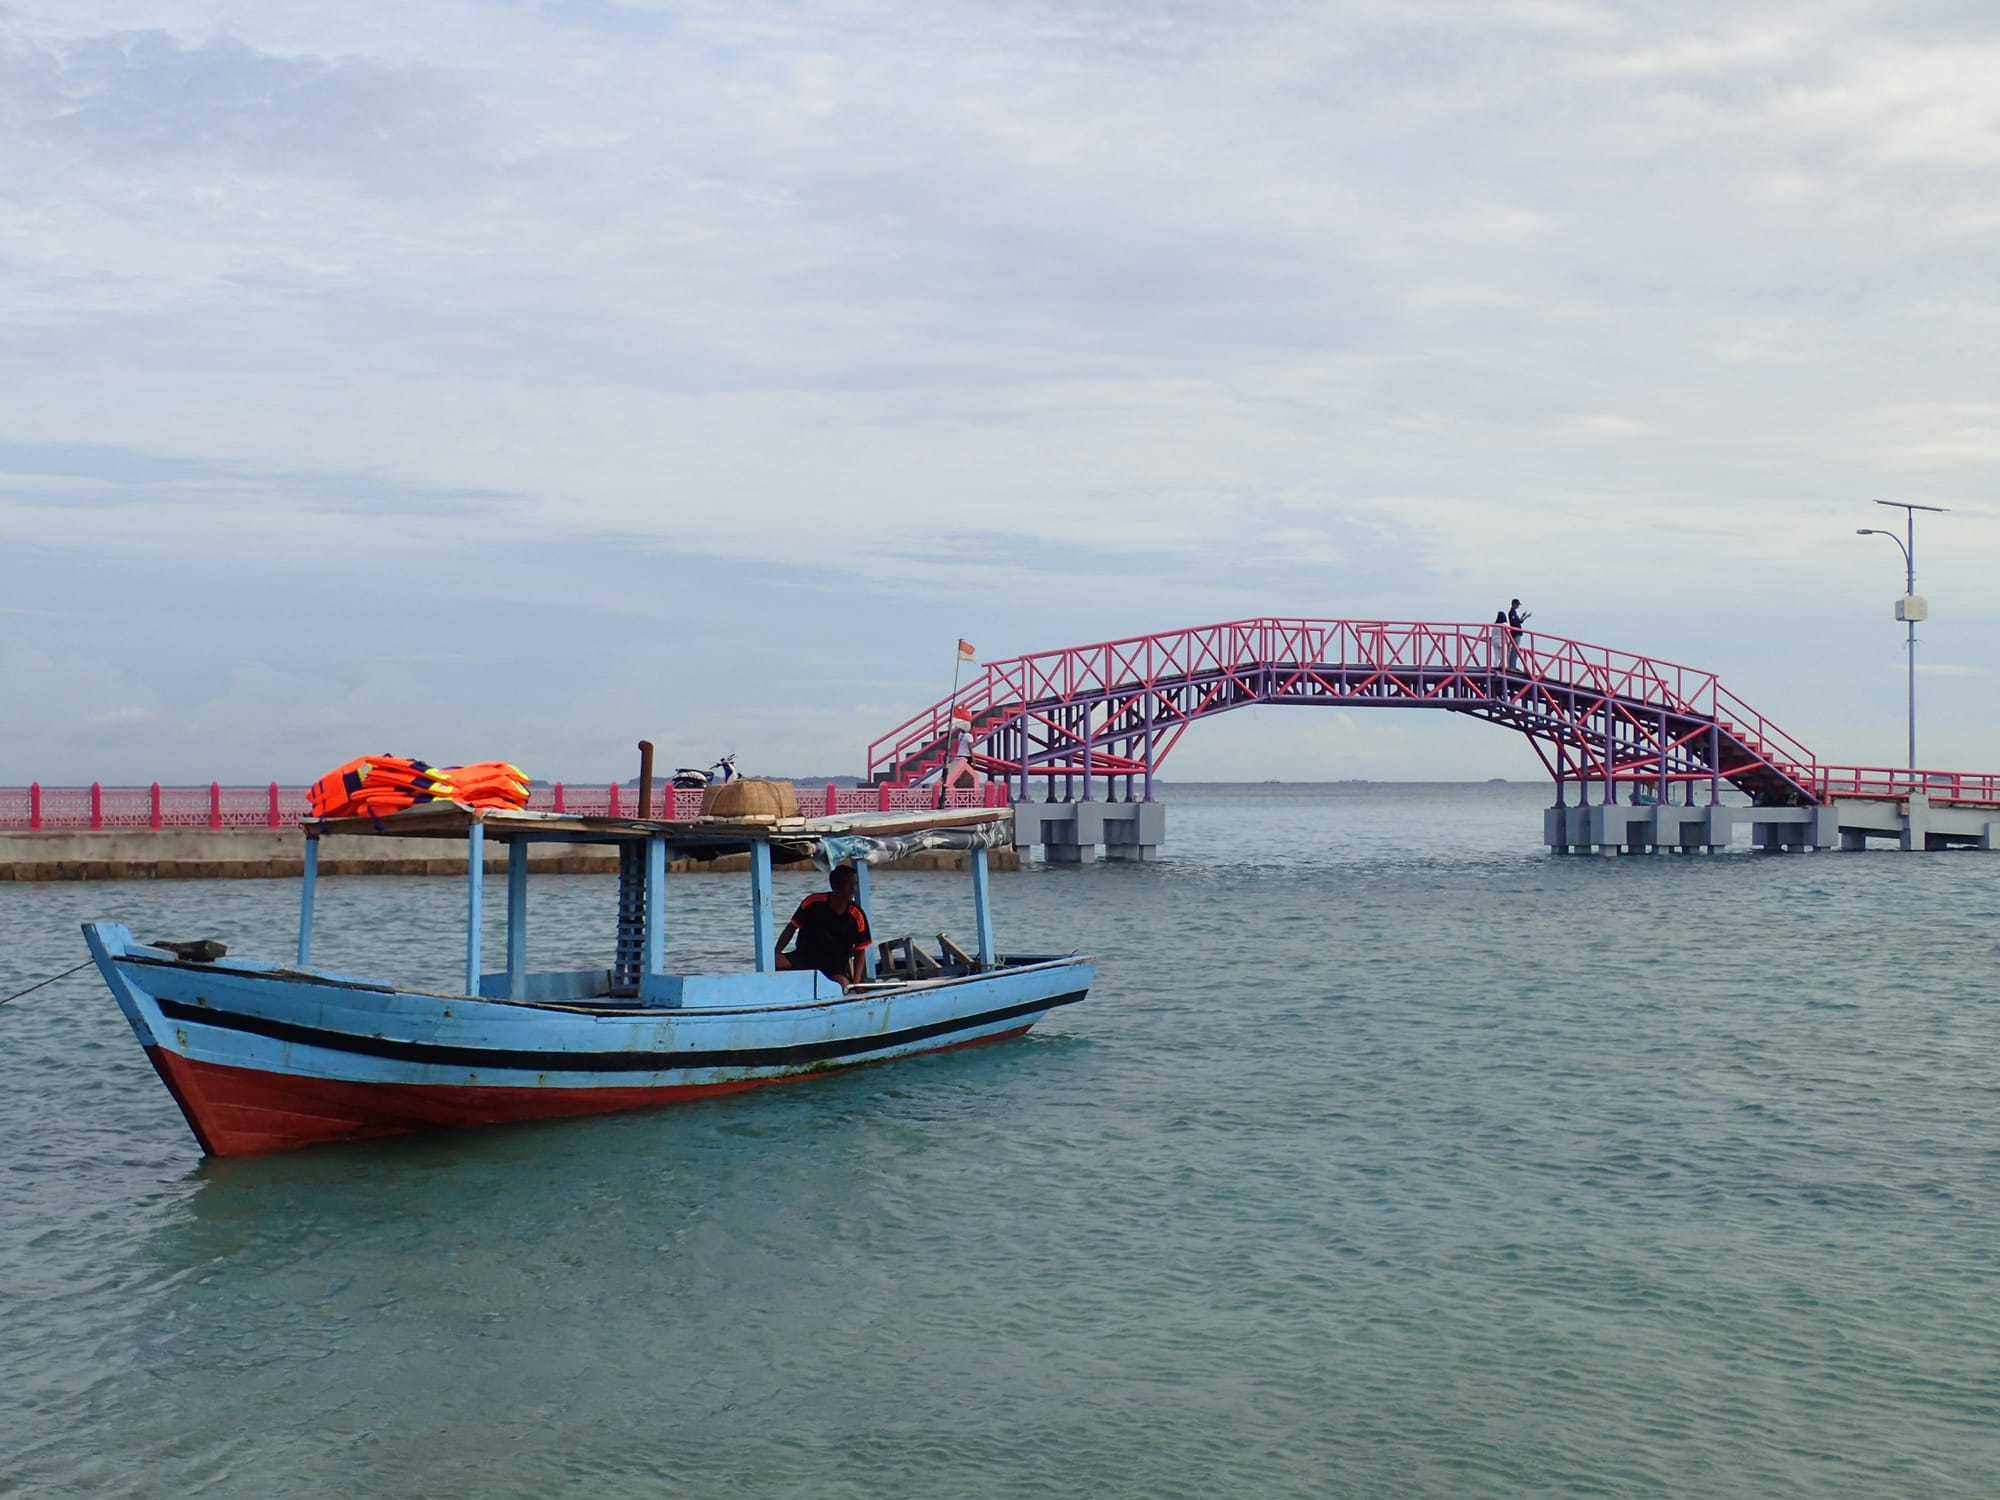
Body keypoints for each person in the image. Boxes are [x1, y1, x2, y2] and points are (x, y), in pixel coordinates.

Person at [774, 863, 872, 990]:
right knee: (774, 963)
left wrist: (857, 980)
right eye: (849, 884)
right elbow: (792, 927)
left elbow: (860, 950)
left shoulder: (857, 915)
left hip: (835, 965)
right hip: (804, 957)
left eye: (855, 884)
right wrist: (776, 952)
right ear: (835, 886)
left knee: (841, 985)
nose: (853, 888)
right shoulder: (813, 902)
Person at [1507, 598, 1531, 671]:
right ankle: (1512, 665)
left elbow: (1518, 621)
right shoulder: (1511, 612)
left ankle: (1512, 664)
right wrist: (1523, 618)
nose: (1518, 606)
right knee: (1515, 649)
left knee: (1515, 649)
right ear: (1514, 604)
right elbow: (1515, 623)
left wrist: (1525, 617)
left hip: (1516, 632)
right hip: (1515, 632)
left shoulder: (1514, 612)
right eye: (1517, 604)